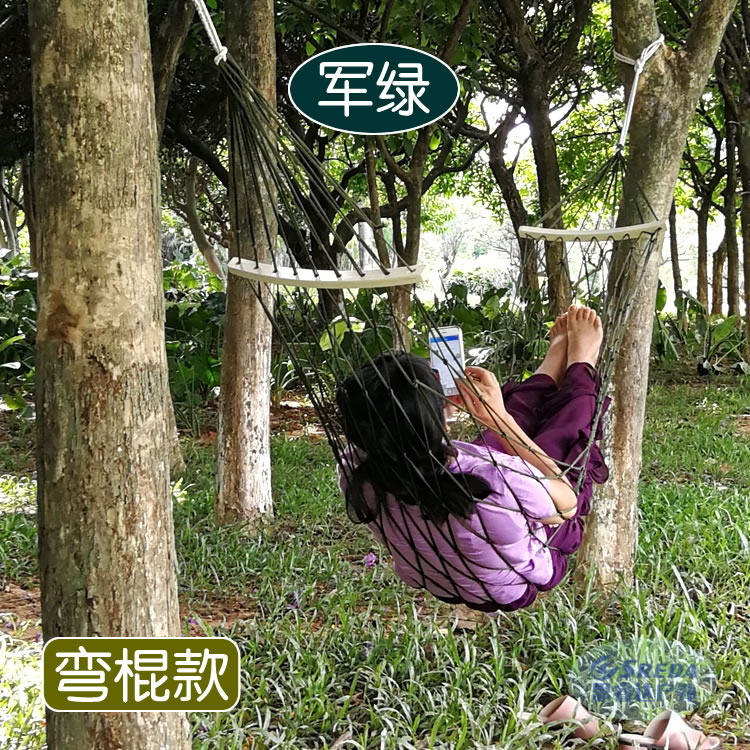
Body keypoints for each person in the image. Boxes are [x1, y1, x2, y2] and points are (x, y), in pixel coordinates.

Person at [335, 305, 610, 612]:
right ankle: (580, 366)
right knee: (553, 443)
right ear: (438, 416)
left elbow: (402, 435)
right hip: (516, 580)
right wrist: (499, 418)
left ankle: (552, 362)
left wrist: (486, 417)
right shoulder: (497, 479)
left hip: (446, 570)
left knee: (498, 437)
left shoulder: (352, 469)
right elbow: (567, 505)